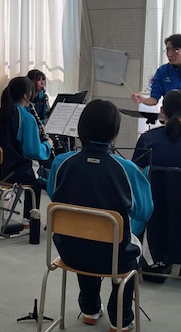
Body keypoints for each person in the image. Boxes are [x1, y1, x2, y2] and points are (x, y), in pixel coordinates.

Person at [47, 100, 153, 332]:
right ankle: (120, 318)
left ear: (81, 128)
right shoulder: (127, 169)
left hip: (69, 251)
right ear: (114, 132)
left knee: (84, 234)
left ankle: (89, 308)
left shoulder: (61, 163)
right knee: (121, 243)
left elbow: (55, 198)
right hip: (114, 257)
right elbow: (145, 211)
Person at [132, 90, 181, 278]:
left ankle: (153, 258)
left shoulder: (147, 138)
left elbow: (136, 176)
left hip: (154, 212)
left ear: (162, 111)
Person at [0, 76, 53, 221]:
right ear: (26, 96)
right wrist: (48, 145)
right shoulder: (27, 118)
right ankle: (31, 218)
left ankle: (28, 218)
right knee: (54, 178)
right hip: (22, 172)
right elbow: (33, 151)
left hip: (2, 170)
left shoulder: (0, 115)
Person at [131, 33, 181, 124]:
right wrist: (143, 99)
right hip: (169, 118)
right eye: (168, 50)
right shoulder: (162, 71)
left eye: (175, 50)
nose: (170, 54)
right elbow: (154, 99)